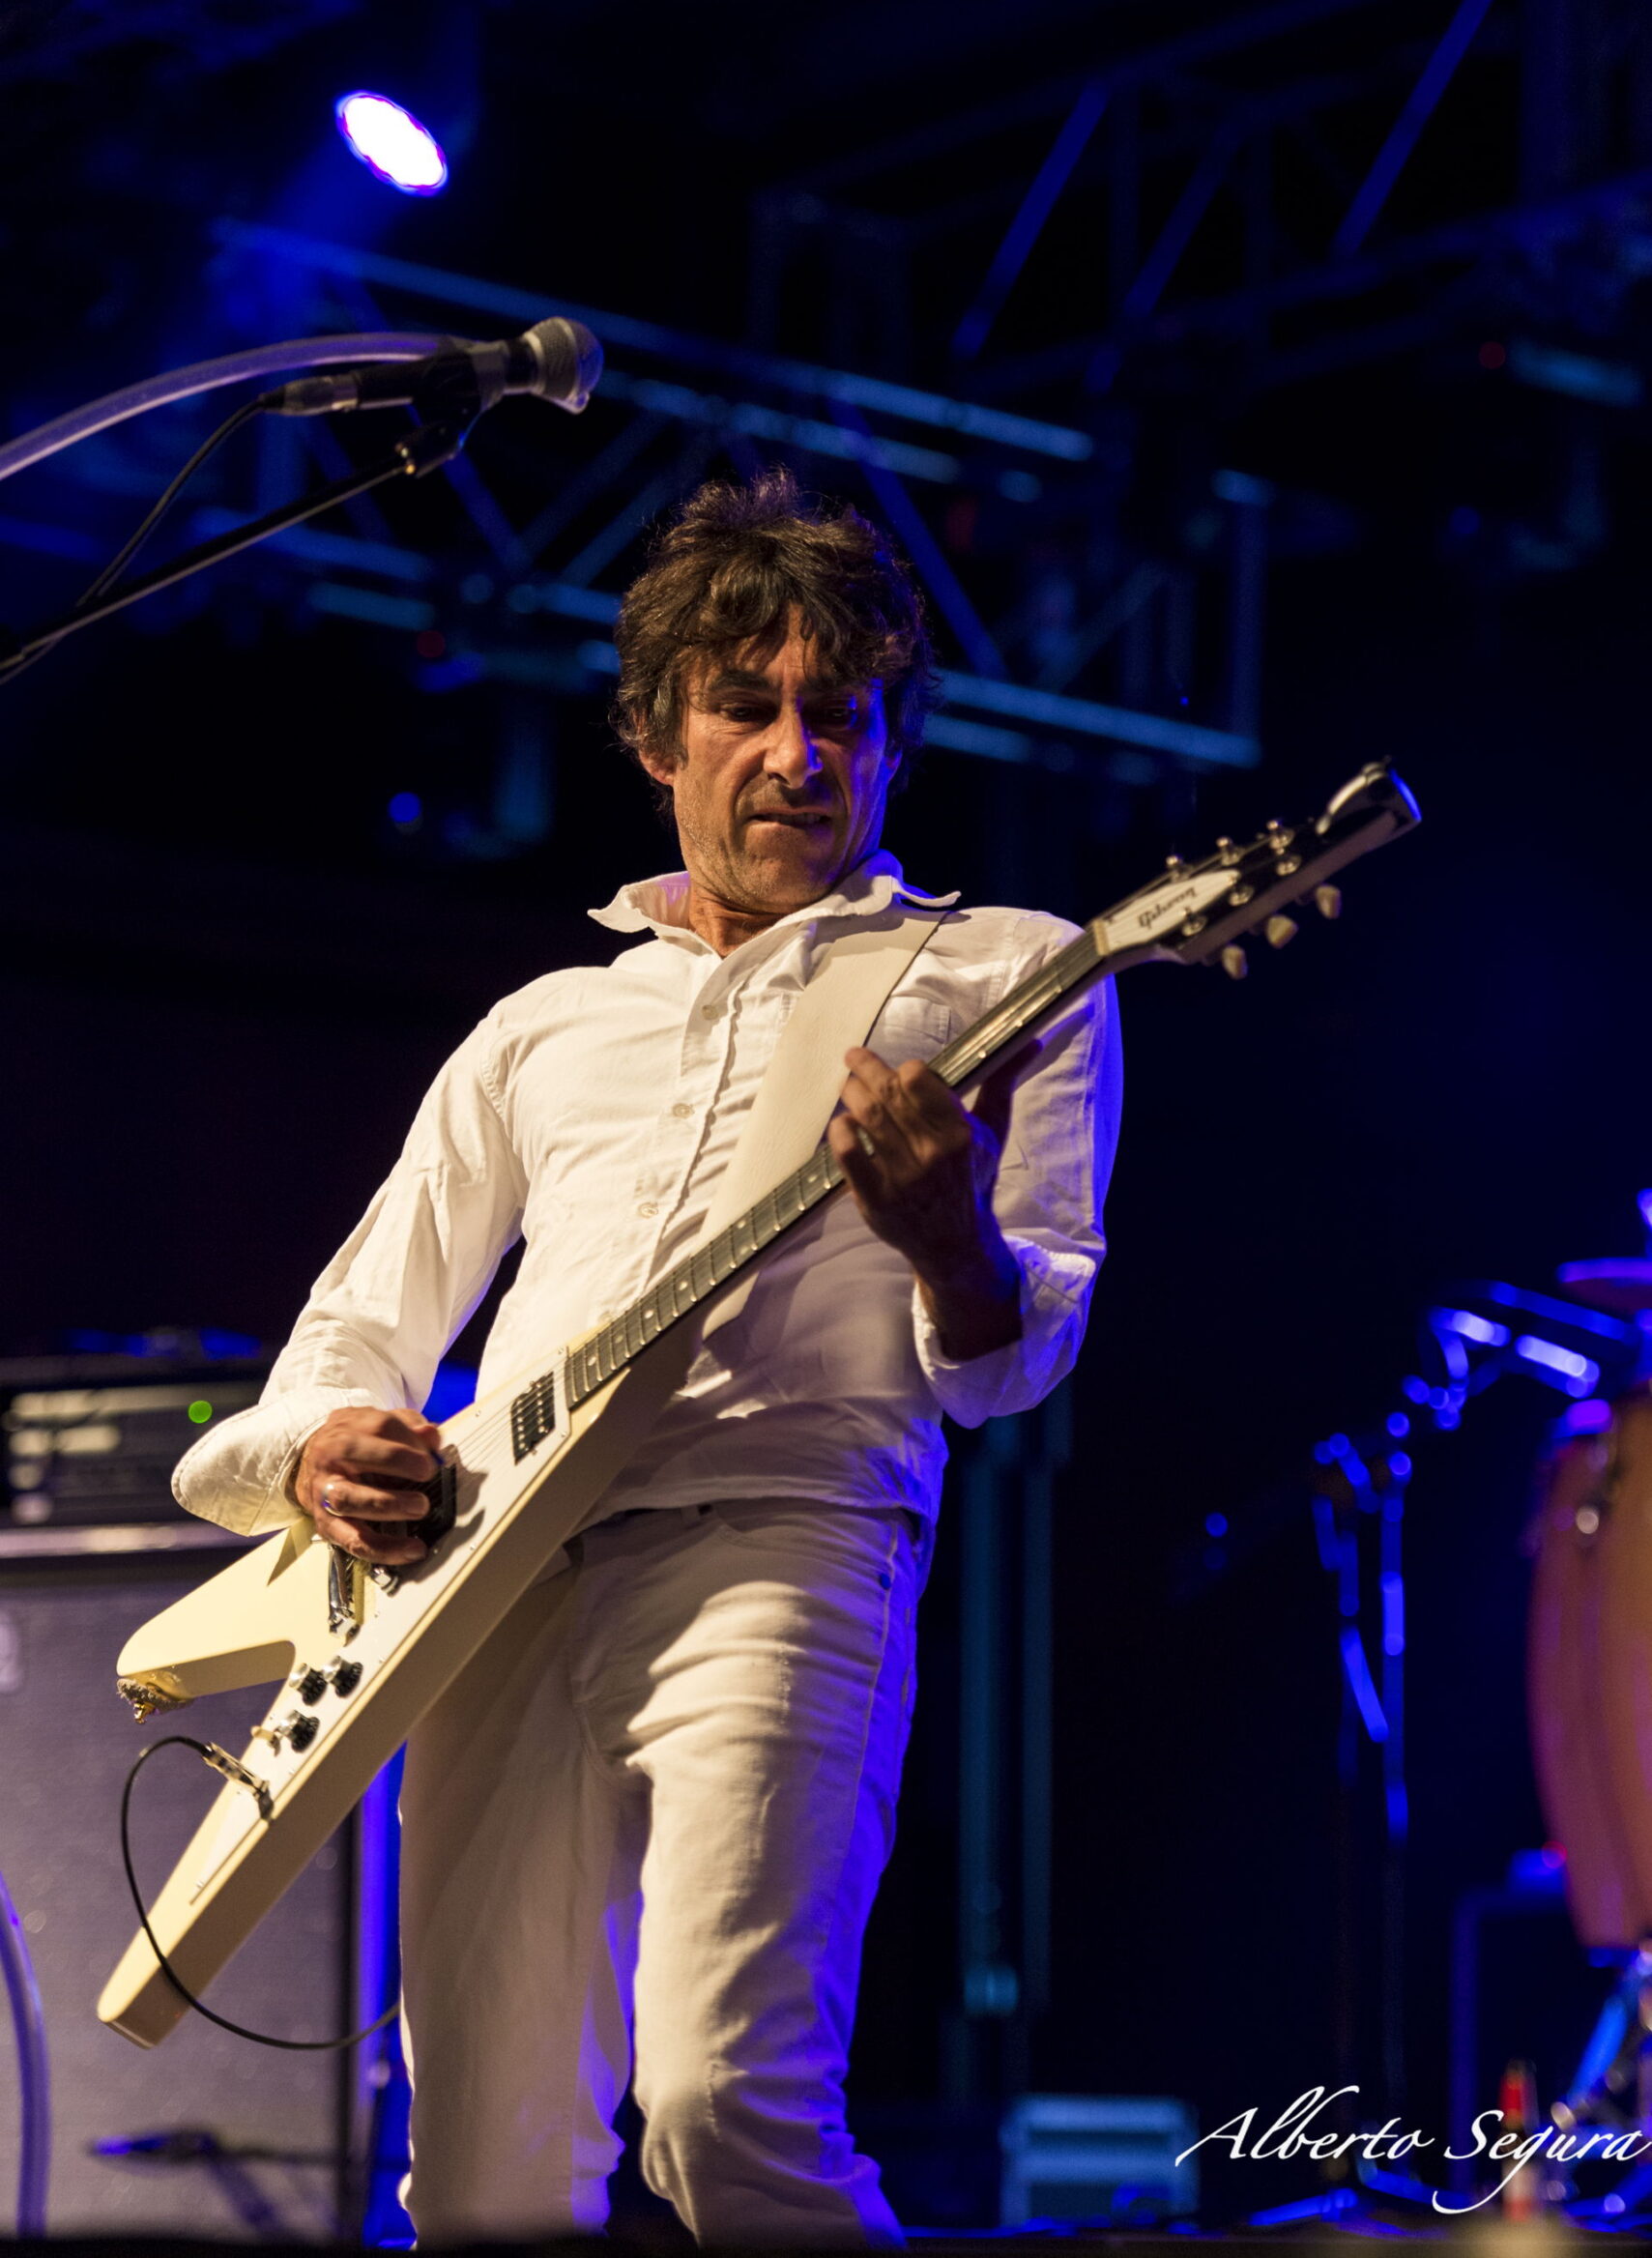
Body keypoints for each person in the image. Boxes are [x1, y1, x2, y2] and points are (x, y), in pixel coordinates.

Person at [173, 468, 1122, 2246]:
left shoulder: (1007, 973)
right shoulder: (543, 1023)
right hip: (485, 1586)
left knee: (723, 2109)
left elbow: (1011, 1359)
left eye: (841, 715)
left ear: (893, 742)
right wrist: (313, 1450)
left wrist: (947, 1232)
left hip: (783, 1537)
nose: (796, 754)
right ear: (651, 738)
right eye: (744, 707)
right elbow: (355, 1328)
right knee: (481, 2176)